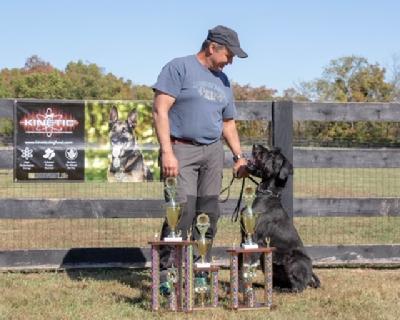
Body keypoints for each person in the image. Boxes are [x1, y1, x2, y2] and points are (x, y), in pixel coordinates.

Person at [152, 25, 248, 291]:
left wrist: (238, 156)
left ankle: (201, 270)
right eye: (229, 55)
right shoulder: (179, 68)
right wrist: (167, 151)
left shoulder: (223, 81)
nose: (231, 61)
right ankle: (166, 275)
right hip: (181, 148)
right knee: (180, 212)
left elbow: (228, 123)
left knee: (209, 213)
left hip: (213, 152)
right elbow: (161, 111)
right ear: (212, 47)